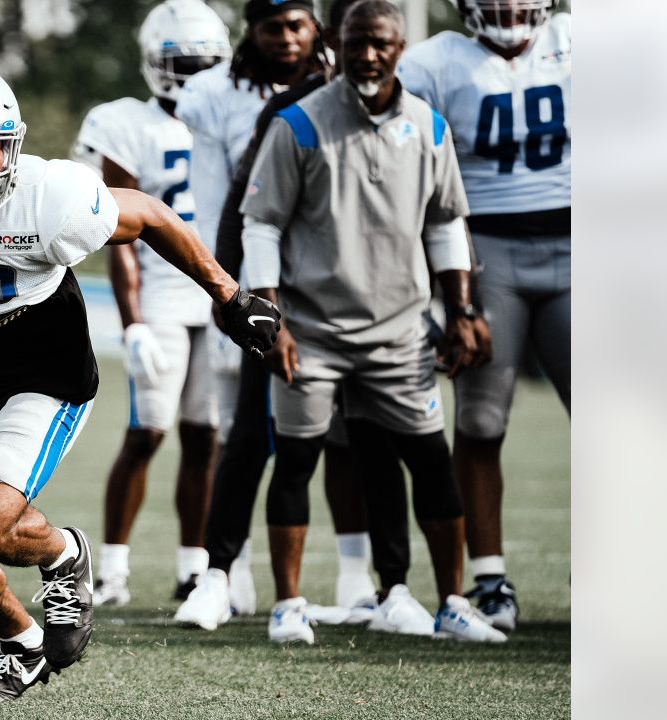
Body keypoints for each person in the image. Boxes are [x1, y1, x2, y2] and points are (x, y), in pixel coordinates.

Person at [0, 59, 278, 702]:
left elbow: (147, 213)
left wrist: (229, 296)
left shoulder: (49, 196)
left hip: (49, 376)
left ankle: (65, 552)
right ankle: (22, 644)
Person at [240, 0, 503, 644]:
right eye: (356, 42)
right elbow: (262, 224)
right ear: (336, 41)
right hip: (313, 332)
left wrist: (462, 308)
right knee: (297, 460)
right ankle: (289, 605)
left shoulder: (430, 127)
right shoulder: (298, 123)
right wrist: (271, 321)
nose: (368, 54)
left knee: (432, 463)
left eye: (381, 43)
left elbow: (445, 224)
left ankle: (450, 603)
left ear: (400, 46)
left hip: (401, 332)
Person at [174, 0, 378, 624]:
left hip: (347, 286)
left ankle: (357, 577)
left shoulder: (357, 88)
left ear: (317, 30)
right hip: (267, 284)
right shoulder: (221, 94)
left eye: (298, 25)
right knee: (250, 434)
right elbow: (219, 198)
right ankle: (219, 574)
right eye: (273, 26)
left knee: (349, 435)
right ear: (252, 32)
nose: (287, 38)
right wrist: (225, 290)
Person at [398, 0, 571, 632]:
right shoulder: (433, 62)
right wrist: (445, 295)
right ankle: (491, 578)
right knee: (481, 418)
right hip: (485, 251)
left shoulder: (579, 41)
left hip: (583, 241)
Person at [70, 0, 232, 607]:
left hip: (215, 289)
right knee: (148, 433)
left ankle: (195, 567)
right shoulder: (124, 121)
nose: (191, 72)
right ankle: (111, 569)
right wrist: (132, 322)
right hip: (161, 295)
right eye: (180, 61)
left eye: (202, 61)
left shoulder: (231, 113)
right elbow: (120, 229)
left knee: (205, 437)